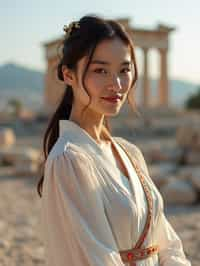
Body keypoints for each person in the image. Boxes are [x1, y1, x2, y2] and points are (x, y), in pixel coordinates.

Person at [37, 14, 191, 266]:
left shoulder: (130, 152)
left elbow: (166, 241)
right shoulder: (69, 159)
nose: (116, 84)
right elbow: (93, 259)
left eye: (124, 70)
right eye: (100, 70)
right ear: (68, 75)